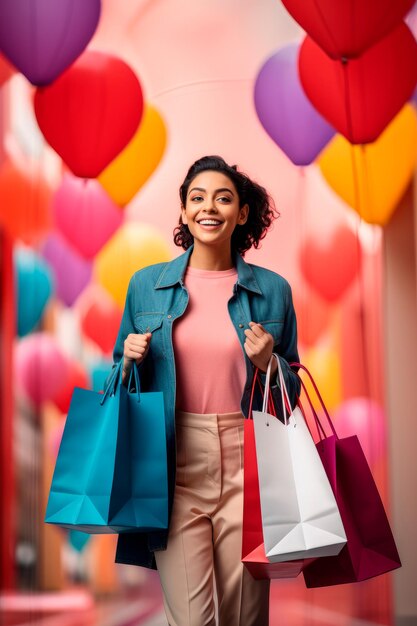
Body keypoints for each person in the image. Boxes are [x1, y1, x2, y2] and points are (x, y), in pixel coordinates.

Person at [109, 155, 300, 626]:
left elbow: (291, 389)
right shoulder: (146, 287)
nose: (208, 207)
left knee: (245, 615)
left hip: (248, 459)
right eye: (196, 198)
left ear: (242, 214)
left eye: (223, 198)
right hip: (172, 461)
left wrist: (269, 364)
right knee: (191, 618)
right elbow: (116, 381)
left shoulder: (274, 290)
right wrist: (129, 359)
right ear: (183, 212)